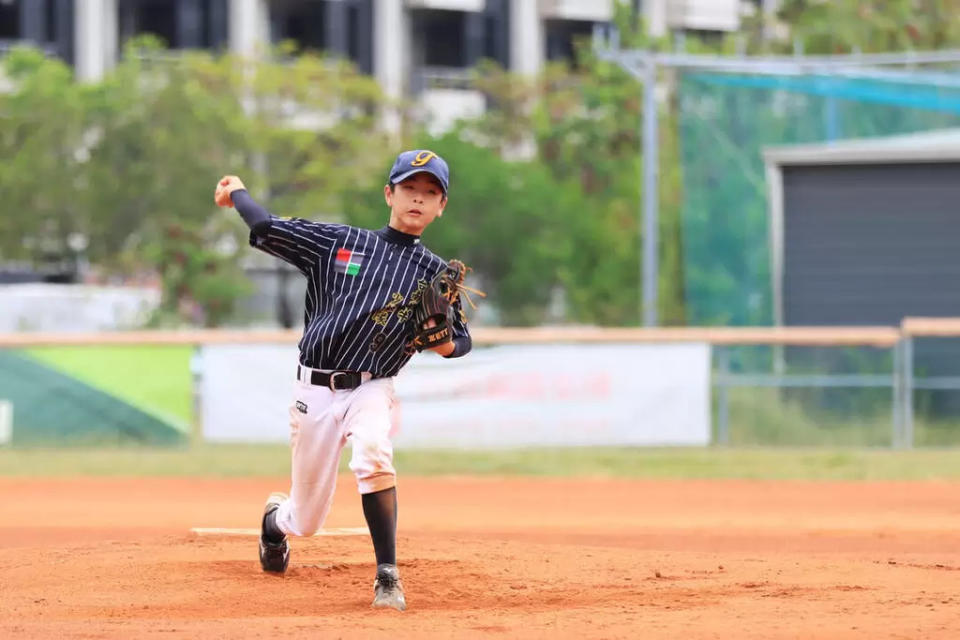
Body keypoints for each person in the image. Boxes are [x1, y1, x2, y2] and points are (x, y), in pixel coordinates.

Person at [213, 150, 472, 612]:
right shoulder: (340, 242)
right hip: (314, 388)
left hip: (373, 385)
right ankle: (276, 524)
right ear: (388, 194)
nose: (418, 199)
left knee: (374, 454)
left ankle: (387, 576)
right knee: (306, 520)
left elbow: (460, 341)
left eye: (430, 193)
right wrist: (238, 193)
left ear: (441, 207)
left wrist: (444, 342)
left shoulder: (434, 272)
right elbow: (268, 228)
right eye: (410, 189)